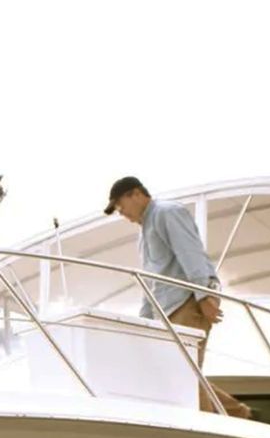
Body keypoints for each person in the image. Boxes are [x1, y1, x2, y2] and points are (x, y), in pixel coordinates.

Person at [104, 176, 250, 417]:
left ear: (136, 194)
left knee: (183, 373)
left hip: (186, 302)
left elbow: (189, 251)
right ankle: (237, 414)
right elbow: (151, 281)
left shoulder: (166, 213)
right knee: (172, 371)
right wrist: (145, 323)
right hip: (165, 311)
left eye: (121, 206)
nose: (121, 213)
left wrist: (204, 295)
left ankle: (207, 432)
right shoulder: (143, 236)